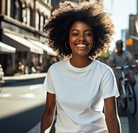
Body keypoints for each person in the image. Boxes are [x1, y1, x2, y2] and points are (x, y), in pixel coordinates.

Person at [41, 1, 121, 133]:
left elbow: (111, 117)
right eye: (75, 33)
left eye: (88, 34)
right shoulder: (54, 71)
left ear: (95, 38)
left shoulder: (104, 72)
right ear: (67, 38)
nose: (81, 39)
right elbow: (49, 111)